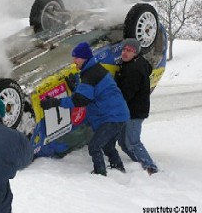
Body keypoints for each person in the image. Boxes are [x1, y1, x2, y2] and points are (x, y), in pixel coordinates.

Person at [41, 42, 130, 176]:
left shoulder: (90, 74)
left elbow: (80, 100)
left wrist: (54, 102)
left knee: (94, 146)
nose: (74, 61)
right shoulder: (93, 70)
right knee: (108, 146)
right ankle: (119, 170)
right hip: (118, 115)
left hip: (112, 117)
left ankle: (100, 174)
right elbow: (89, 93)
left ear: (84, 58)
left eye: (76, 58)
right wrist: (75, 87)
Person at [115, 38, 158, 175]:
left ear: (136, 53)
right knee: (122, 141)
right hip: (128, 110)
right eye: (124, 49)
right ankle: (138, 162)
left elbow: (127, 92)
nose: (125, 53)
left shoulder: (135, 69)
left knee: (133, 142)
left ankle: (150, 167)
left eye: (129, 50)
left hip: (135, 111)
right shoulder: (130, 64)